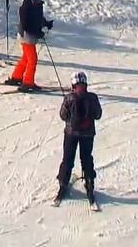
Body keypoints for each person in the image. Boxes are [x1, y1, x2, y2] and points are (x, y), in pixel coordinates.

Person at [56, 71, 103, 205]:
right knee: (86, 158)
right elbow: (98, 115)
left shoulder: (69, 98)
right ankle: (89, 184)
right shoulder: (93, 97)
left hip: (71, 134)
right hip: (88, 134)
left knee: (68, 159)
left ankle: (63, 185)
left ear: (73, 84)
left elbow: (63, 116)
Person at [4, 0, 52, 92]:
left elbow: (38, 18)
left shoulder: (38, 6)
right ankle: (27, 82)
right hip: (26, 35)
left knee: (26, 58)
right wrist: (38, 32)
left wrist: (46, 23)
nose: (37, 0)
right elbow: (26, 24)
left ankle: (16, 77)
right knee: (32, 59)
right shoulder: (25, 7)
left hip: (32, 35)